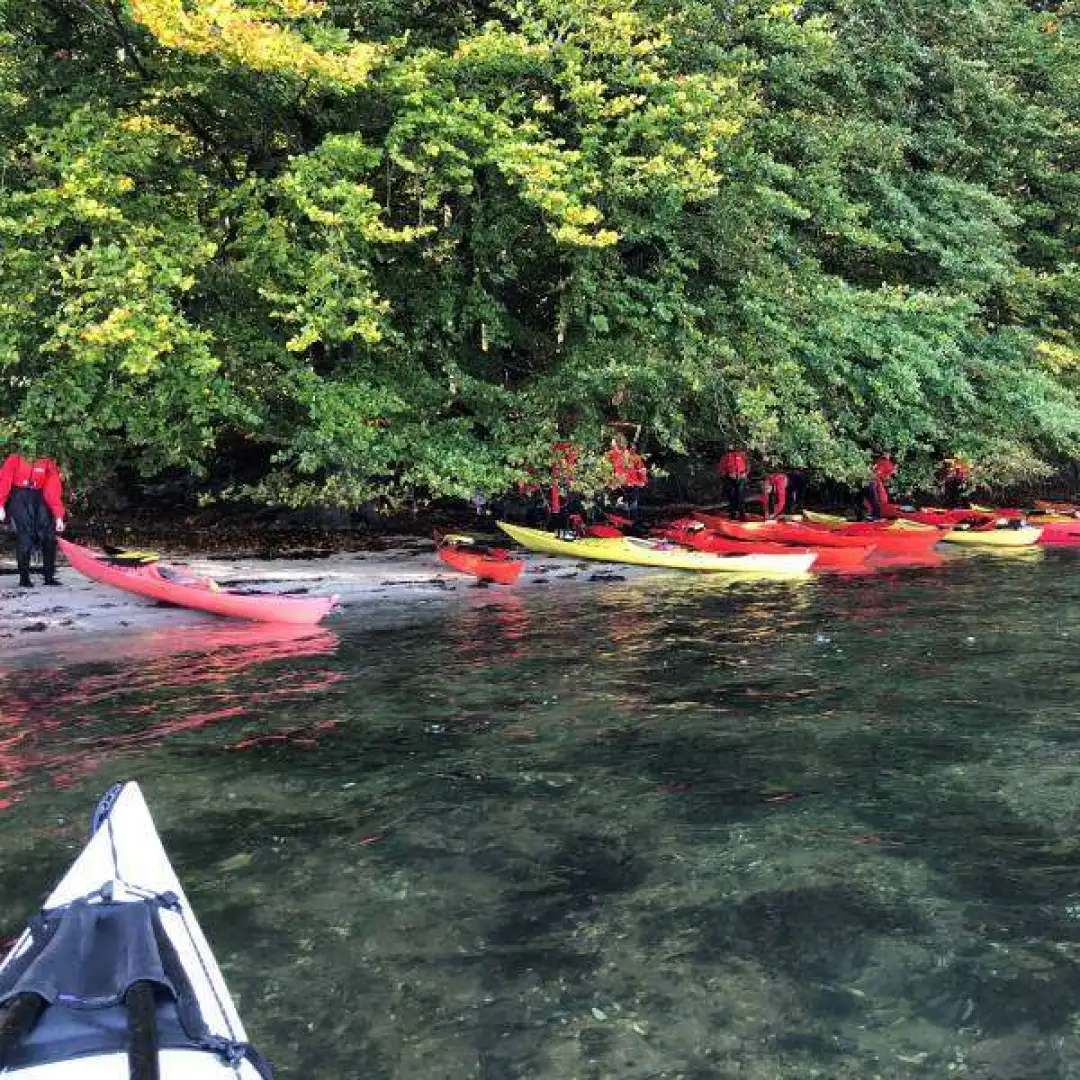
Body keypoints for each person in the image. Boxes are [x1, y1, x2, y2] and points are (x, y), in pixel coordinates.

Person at [0, 452, 66, 587]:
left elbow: (53, 489)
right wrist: (0, 504)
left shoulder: (47, 461)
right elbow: (4, 481)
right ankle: (24, 579)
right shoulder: (15, 458)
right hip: (18, 495)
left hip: (39, 495)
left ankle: (49, 577)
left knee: (48, 535)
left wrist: (58, 516)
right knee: (25, 535)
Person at [605, 433, 648, 518]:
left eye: (614, 444)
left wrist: (643, 480)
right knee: (621, 508)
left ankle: (633, 522)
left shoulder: (632, 456)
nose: (612, 446)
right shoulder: (611, 455)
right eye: (613, 445)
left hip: (631, 485)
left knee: (632, 507)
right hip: (619, 485)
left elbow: (641, 469)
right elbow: (606, 469)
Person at [716, 446, 749, 519]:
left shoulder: (742, 455)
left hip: (741, 478)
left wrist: (745, 473)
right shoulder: (725, 456)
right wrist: (728, 474)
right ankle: (733, 513)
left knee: (741, 495)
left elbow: (747, 465)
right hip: (729, 479)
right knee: (731, 495)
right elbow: (721, 468)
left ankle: (742, 513)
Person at [863, 451, 896, 521]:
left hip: (877, 482)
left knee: (879, 498)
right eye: (885, 453)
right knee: (876, 497)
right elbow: (877, 473)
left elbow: (885, 476)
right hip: (875, 481)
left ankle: (875, 514)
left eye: (887, 453)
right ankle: (874, 514)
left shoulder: (888, 464)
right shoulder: (880, 462)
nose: (886, 454)